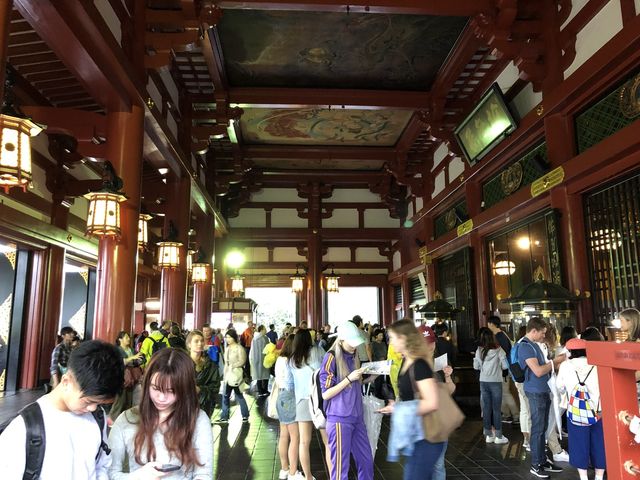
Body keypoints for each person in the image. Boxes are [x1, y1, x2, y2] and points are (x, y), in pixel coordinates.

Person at [0, 340, 124, 479]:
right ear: (66, 381)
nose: (93, 408)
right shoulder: (25, 428)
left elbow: (101, 466)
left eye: (100, 403)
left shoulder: (97, 417)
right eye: (89, 401)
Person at [108, 348, 213, 479]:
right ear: (146, 384)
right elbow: (109, 472)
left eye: (171, 391)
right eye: (155, 388)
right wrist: (137, 477)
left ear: (185, 389)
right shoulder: (127, 419)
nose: (162, 398)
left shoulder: (198, 419)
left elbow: (203, 474)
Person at [379, 319, 452, 480]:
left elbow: (432, 402)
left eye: (392, 338)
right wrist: (397, 404)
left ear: (404, 338)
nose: (390, 342)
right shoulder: (407, 361)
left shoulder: (419, 365)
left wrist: (398, 409)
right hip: (418, 433)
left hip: (429, 434)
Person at [319, 321, 373, 480]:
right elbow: (326, 394)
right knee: (341, 469)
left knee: (366, 461)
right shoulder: (330, 357)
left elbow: (355, 384)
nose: (355, 346)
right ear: (341, 339)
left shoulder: (353, 355)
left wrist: (372, 376)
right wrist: (350, 378)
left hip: (357, 417)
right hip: (339, 419)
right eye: (352, 342)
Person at [556, 328, 606, 480]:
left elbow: (559, 386)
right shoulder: (598, 363)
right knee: (599, 443)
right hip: (598, 411)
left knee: (579, 444)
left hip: (576, 411)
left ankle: (583, 477)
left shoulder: (565, 366)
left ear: (570, 351)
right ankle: (599, 476)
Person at [518, 317, 564, 478]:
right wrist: (555, 362)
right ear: (534, 331)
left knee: (543, 428)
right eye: (542, 333)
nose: (544, 336)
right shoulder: (525, 347)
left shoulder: (535, 345)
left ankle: (543, 461)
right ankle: (536, 464)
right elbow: (537, 371)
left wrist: (553, 363)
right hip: (535, 390)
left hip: (544, 389)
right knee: (537, 429)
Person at [290, 329, 327, 480]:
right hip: (318, 400)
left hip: (301, 402)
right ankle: (334, 474)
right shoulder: (318, 351)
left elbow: (291, 383)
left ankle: (308, 477)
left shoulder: (292, 360)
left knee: (304, 442)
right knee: (327, 441)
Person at [473, 327, 509, 444]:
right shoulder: (499, 350)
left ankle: (489, 435)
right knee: (496, 409)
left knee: (487, 408)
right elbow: (505, 366)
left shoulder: (479, 350)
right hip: (496, 382)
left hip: (483, 382)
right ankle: (498, 436)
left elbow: (476, 367)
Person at [275, 334, 301, 480]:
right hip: (290, 398)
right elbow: (293, 384)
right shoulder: (290, 362)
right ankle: (293, 472)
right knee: (295, 437)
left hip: (281, 397)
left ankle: (284, 469)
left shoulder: (279, 359)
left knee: (284, 435)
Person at [486, 316, 519, 425]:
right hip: (503, 368)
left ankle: (515, 415)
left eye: (488, 323)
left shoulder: (499, 336)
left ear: (491, 324)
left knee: (505, 392)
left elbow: (504, 354)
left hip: (502, 369)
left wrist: (504, 369)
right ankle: (507, 415)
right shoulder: (502, 334)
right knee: (502, 392)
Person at [110, 331, 145, 422]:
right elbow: (120, 362)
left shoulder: (131, 350)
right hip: (122, 378)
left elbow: (137, 361)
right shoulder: (117, 350)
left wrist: (137, 360)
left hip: (131, 378)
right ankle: (113, 419)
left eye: (129, 337)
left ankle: (125, 419)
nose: (129, 339)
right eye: (126, 337)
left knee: (129, 400)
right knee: (120, 400)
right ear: (120, 339)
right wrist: (132, 358)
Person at [186, 330, 222, 419]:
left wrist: (200, 390)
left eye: (202, 341)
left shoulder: (210, 364)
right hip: (183, 407)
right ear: (189, 344)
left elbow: (215, 387)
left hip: (202, 407)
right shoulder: (181, 363)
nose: (200, 343)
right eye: (196, 341)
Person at [217, 329, 250, 423]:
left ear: (234, 338)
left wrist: (233, 366)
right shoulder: (227, 348)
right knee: (225, 396)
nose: (227, 339)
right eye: (226, 337)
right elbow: (225, 363)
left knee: (239, 395)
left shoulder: (239, 348)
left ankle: (245, 414)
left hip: (236, 375)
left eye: (229, 337)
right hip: (228, 375)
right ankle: (224, 416)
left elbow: (242, 361)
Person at [250, 325, 271, 396]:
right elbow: (255, 351)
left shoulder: (260, 338)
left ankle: (262, 390)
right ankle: (262, 390)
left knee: (262, 375)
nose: (266, 330)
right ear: (261, 330)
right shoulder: (260, 338)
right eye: (265, 329)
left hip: (261, 359)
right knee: (262, 375)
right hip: (261, 359)